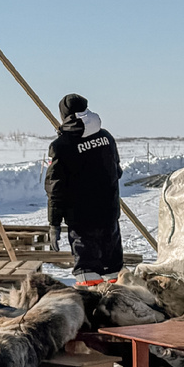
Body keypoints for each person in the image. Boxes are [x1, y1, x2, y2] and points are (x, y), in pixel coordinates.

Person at [45, 93, 123, 286]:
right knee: (115, 274)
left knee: (88, 274)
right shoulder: (106, 137)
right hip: (109, 216)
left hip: (82, 221)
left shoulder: (60, 146)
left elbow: (56, 189)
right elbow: (117, 171)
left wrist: (54, 223)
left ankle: (93, 307)